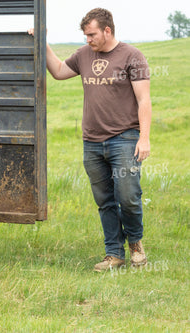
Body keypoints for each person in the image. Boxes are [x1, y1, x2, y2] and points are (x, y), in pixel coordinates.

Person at [29, 8, 152, 271]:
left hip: (125, 138)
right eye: (85, 35)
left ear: (107, 30)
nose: (88, 40)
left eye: (92, 34)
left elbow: (144, 100)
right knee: (105, 200)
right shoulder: (84, 55)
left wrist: (144, 137)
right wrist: (43, 42)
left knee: (128, 196)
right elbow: (60, 71)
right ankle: (114, 254)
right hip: (92, 142)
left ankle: (135, 244)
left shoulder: (132, 56)